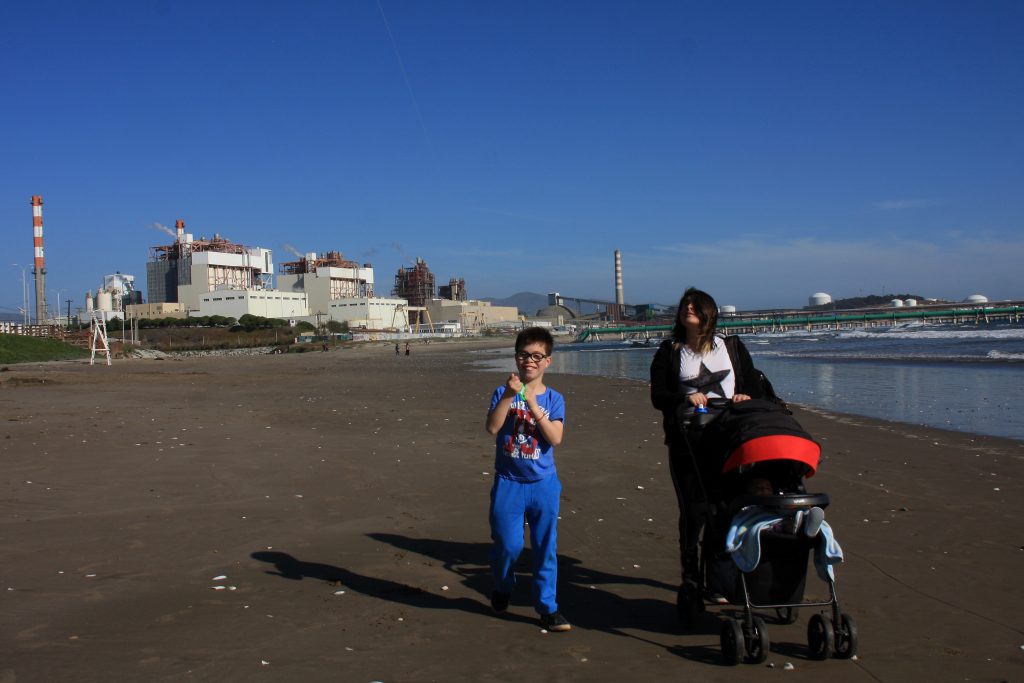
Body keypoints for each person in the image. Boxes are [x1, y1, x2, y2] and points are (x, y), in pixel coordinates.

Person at [649, 287, 772, 609]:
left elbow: (753, 387)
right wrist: (684, 398)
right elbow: (658, 397)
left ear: (709, 312)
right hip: (687, 441)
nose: (688, 308)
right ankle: (691, 577)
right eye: (685, 305)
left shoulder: (731, 346)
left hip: (729, 438)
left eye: (695, 305)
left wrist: (746, 396)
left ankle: (719, 580)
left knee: (725, 507)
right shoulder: (670, 351)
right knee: (693, 510)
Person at [485, 327, 570, 632]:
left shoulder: (555, 399)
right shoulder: (501, 392)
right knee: (508, 545)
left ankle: (548, 607)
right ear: (516, 357)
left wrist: (532, 403)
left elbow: (555, 438)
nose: (529, 361)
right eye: (524, 355)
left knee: (545, 547)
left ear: (548, 360)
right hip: (508, 482)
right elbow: (493, 428)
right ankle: (503, 586)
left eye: (537, 356)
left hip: (543, 485)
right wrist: (510, 395)